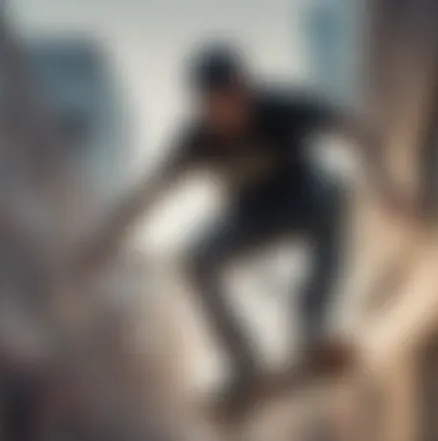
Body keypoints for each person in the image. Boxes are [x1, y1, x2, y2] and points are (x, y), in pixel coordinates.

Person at [76, 43, 400, 417]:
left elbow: (351, 128)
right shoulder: (195, 141)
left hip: (304, 200)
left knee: (336, 194)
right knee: (194, 260)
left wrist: (386, 185)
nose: (229, 116)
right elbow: (147, 196)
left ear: (247, 91)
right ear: (203, 107)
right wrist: (101, 244)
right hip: (250, 218)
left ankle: (311, 327)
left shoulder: (283, 108)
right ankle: (245, 364)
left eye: (235, 101)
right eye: (216, 108)